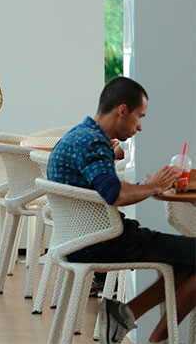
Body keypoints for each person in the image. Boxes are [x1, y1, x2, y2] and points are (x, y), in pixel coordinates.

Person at [47, 76, 195, 344]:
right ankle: (152, 338)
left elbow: (110, 187)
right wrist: (153, 187)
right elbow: (114, 193)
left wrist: (147, 185)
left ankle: (126, 315)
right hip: (101, 241)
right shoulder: (94, 142)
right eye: (139, 116)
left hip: (78, 238)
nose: (140, 126)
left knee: (187, 258)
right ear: (122, 110)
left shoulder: (78, 134)